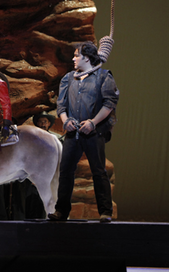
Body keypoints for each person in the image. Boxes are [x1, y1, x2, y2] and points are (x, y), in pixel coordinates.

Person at [48, 42, 119, 223]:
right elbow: (61, 106)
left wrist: (93, 123)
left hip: (93, 133)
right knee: (66, 171)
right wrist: (66, 121)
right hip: (73, 132)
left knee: (98, 171)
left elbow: (109, 104)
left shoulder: (103, 76)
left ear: (86, 58)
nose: (73, 58)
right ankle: (61, 211)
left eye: (76, 55)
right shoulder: (69, 78)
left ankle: (105, 212)